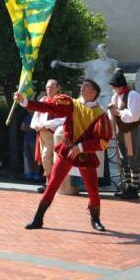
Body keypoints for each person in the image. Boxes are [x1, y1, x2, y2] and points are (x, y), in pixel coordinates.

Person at [17, 78, 114, 232]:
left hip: (85, 154)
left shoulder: (100, 114)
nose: (82, 86)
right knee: (53, 183)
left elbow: (102, 142)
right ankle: (38, 218)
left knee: (92, 189)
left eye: (87, 86)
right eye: (82, 84)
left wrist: (81, 147)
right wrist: (26, 102)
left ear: (94, 92)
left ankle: (95, 219)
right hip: (67, 150)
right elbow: (48, 107)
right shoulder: (71, 104)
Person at [108, 69, 140, 200]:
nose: (113, 88)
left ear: (120, 85)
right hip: (120, 131)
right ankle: (128, 187)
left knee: (133, 158)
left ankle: (134, 189)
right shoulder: (115, 96)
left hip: (132, 131)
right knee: (124, 160)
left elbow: (134, 115)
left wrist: (118, 113)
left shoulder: (133, 95)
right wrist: (113, 114)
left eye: (114, 86)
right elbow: (112, 114)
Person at [29, 79, 66, 193]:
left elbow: (64, 118)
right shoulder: (43, 99)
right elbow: (36, 115)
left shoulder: (61, 101)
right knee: (45, 159)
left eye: (51, 87)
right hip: (41, 134)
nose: (48, 89)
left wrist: (46, 124)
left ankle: (51, 184)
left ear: (58, 88)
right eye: (47, 87)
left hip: (53, 134)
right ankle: (48, 183)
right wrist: (35, 125)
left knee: (47, 157)